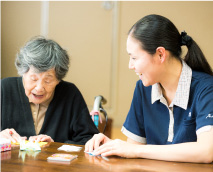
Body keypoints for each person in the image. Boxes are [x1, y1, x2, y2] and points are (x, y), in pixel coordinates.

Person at [85, 14, 213, 163]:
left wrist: (134, 150)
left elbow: (207, 151)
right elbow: (133, 150)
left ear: (160, 54)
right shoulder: (143, 88)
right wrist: (111, 146)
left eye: (134, 58)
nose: (130, 65)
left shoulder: (206, 89)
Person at [1, 36, 99, 144]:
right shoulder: (4, 89)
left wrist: (55, 146)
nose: (39, 88)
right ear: (23, 73)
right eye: (34, 79)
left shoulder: (70, 94)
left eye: (47, 81)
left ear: (58, 79)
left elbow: (89, 140)